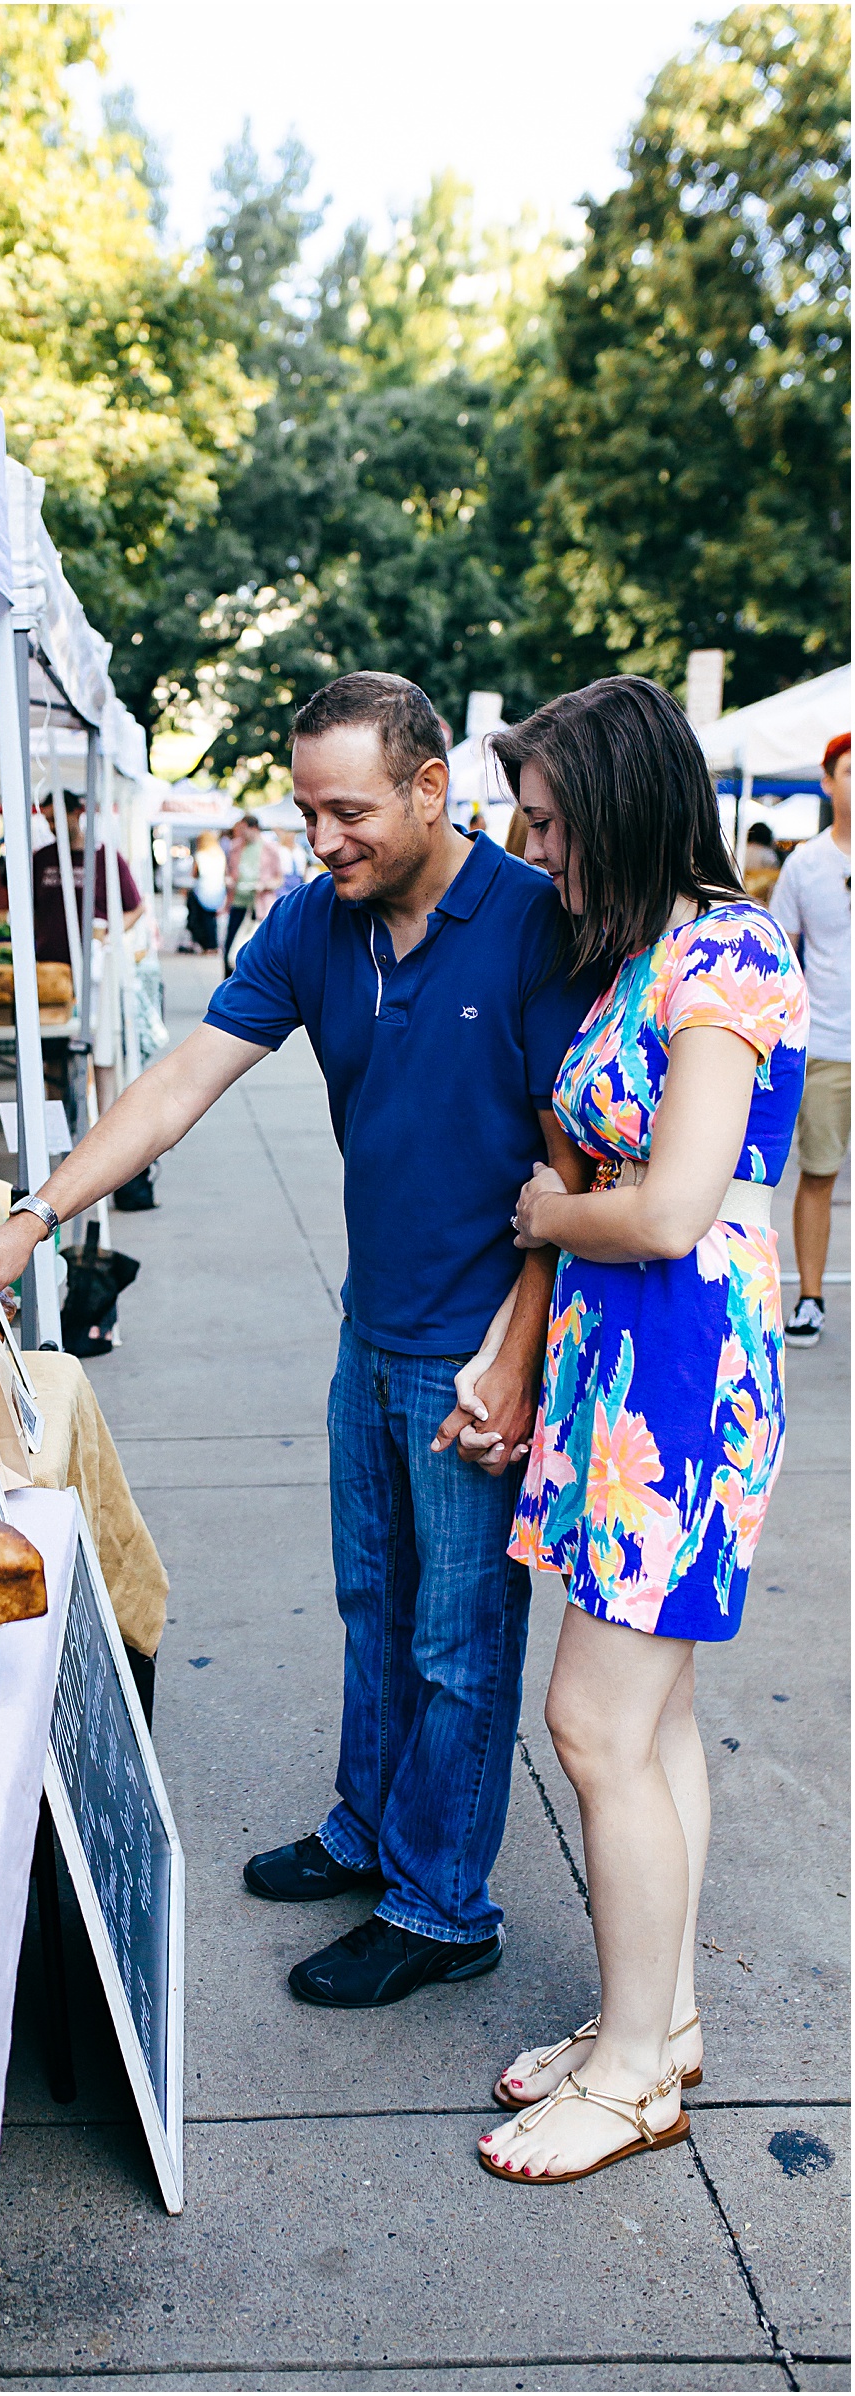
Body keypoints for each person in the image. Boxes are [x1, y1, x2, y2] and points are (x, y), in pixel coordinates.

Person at [0, 671, 601, 2007]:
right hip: (373, 1331)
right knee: (375, 1608)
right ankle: (371, 1829)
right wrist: (38, 1215)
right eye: (306, 812)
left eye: (347, 810)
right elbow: (186, 1079)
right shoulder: (316, 922)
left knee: (460, 1638)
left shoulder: (530, 923)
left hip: (476, 1346)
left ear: (430, 787)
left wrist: (517, 1353)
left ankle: (439, 1906)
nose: (321, 841)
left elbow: (569, 1168)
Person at [471, 677, 806, 2187]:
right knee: (649, 1722)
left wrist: (552, 1212)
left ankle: (631, 2076)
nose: (535, 850)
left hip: (678, 1382)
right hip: (633, 1378)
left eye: (547, 822)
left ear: (611, 803)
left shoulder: (723, 951)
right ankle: (651, 2023)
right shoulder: (652, 951)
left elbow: (672, 1211)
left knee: (594, 1726)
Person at [771, 732, 850, 1349]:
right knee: (818, 1173)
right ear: (828, 783)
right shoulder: (806, 864)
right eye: (849, 772)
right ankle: (811, 1298)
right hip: (826, 1045)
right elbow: (781, 956)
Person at [32, 792, 143, 965]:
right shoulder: (42, 858)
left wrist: (109, 936)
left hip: (93, 963)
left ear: (76, 812)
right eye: (48, 820)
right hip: (49, 962)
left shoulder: (105, 857)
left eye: (55, 819)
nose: (51, 826)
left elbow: (136, 908)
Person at [221, 813, 262, 976]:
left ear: (253, 828)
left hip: (257, 906)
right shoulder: (235, 846)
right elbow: (228, 871)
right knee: (230, 946)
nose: (241, 833)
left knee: (253, 948)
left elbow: (278, 878)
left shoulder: (268, 848)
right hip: (237, 902)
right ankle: (228, 982)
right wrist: (228, 880)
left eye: (244, 829)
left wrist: (263, 885)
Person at [182, 831, 224, 952]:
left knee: (201, 919)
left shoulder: (200, 855)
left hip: (203, 891)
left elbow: (194, 874)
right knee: (211, 920)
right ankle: (213, 945)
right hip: (217, 890)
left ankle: (207, 946)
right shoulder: (220, 854)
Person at [742, 818, 782, 901]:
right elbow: (772, 882)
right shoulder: (768, 854)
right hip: (760, 899)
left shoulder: (742, 851)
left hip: (741, 894)